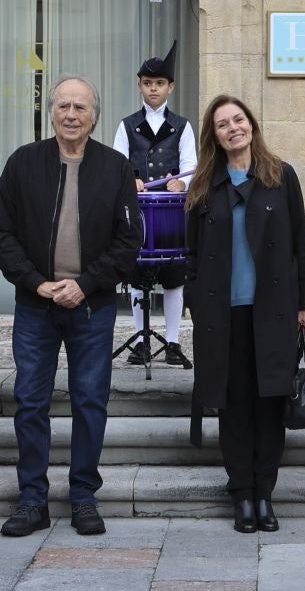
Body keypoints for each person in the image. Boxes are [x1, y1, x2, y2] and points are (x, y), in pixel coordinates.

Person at [0, 75, 141, 539]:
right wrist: (38, 284)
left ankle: (83, 497)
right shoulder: (23, 163)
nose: (71, 114)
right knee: (30, 401)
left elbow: (129, 241)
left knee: (90, 402)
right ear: (51, 112)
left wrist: (85, 284)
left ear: (95, 115)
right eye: (63, 106)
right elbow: (1, 234)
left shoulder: (116, 168)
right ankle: (32, 499)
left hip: (91, 308)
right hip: (36, 306)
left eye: (81, 107)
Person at [184, 95, 305, 534]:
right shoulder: (203, 185)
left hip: (273, 313)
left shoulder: (281, 176)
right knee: (234, 406)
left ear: (252, 125)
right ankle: (241, 493)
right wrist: (195, 303)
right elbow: (191, 254)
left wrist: (304, 304)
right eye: (223, 124)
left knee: (269, 405)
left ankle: (264, 493)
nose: (233, 128)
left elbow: (300, 243)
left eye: (238, 119)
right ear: (214, 136)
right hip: (222, 315)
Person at [112, 42, 194, 368]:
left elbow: (192, 165)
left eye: (159, 83)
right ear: (140, 86)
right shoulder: (127, 125)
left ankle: (172, 341)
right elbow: (116, 167)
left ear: (170, 87)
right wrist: (127, 181)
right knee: (137, 276)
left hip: (171, 213)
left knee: (174, 278)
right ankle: (142, 341)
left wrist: (181, 183)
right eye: (148, 83)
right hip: (138, 214)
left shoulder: (183, 126)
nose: (153, 89)